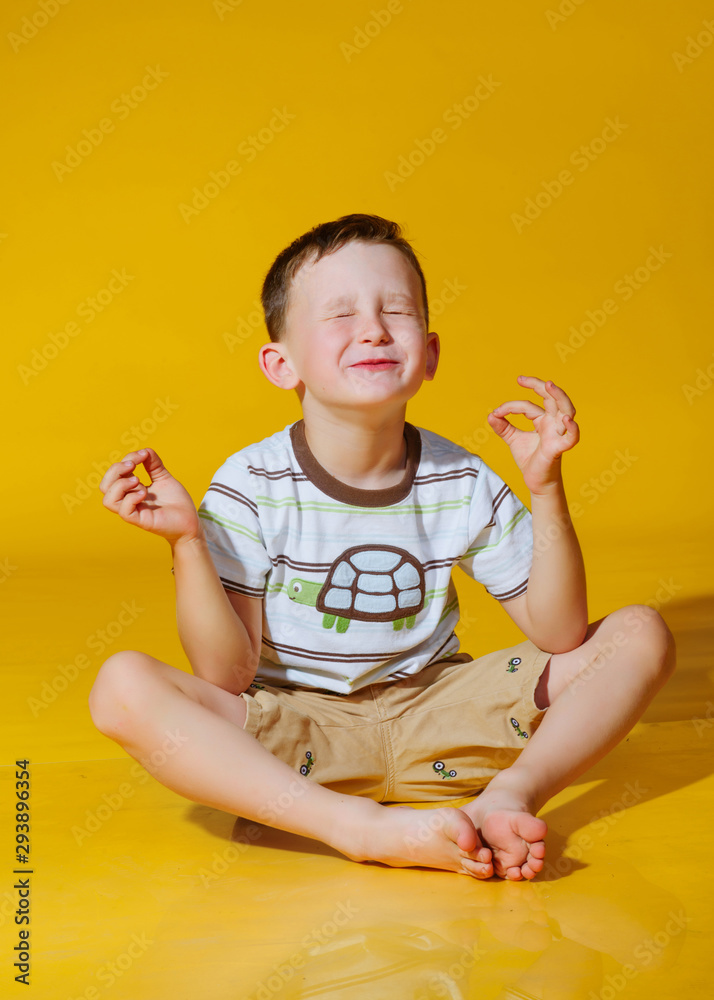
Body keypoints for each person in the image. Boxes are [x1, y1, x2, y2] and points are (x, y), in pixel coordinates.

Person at [90, 213, 676, 881]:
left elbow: (561, 632)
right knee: (120, 687)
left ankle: (509, 797)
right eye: (340, 315)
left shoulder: (460, 478)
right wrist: (188, 542)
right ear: (281, 364)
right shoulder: (248, 485)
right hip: (299, 739)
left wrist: (545, 487)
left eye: (394, 311)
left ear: (428, 355)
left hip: (443, 717)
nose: (372, 328)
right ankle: (358, 827)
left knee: (640, 633)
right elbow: (225, 675)